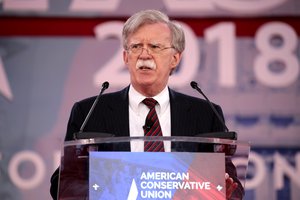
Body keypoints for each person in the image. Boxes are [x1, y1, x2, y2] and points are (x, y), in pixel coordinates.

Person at [50, 9, 244, 199]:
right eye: (136, 47)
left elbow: (231, 184)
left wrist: (225, 194)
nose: (144, 54)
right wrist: (100, 192)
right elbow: (63, 182)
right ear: (126, 57)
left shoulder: (205, 115)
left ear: (175, 58)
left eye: (154, 46)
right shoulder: (89, 113)